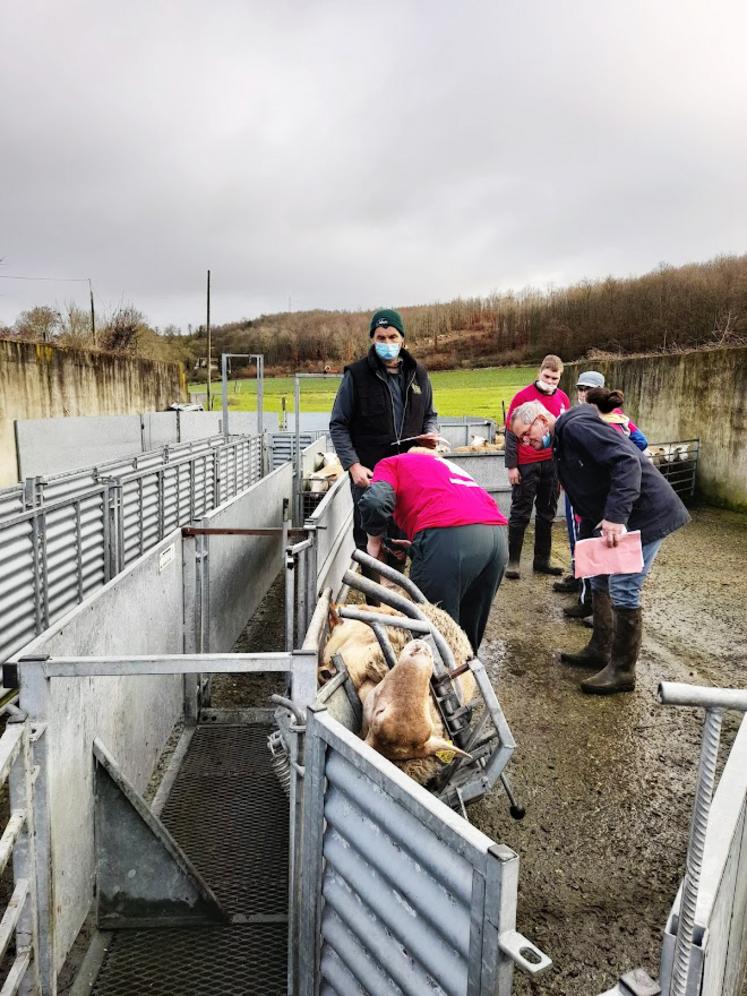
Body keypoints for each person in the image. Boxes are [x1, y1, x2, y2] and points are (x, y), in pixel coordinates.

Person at [510, 399, 689, 695]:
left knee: (624, 586)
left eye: (526, 434)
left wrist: (616, 517)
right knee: (599, 576)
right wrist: (587, 539)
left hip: (646, 513)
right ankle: (600, 648)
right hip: (621, 514)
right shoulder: (562, 442)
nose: (527, 442)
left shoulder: (576, 427)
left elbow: (626, 461)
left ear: (542, 419)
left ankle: (622, 671)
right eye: (521, 440)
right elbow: (588, 489)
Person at [358, 448, 508, 654]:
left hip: (449, 536)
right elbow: (451, 505)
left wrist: (373, 541)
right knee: (465, 636)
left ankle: (433, 682)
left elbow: (375, 502)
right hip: (496, 539)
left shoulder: (392, 463)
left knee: (430, 635)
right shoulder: (447, 468)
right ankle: (466, 679)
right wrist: (419, 547)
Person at [329, 308, 440, 561]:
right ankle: (373, 597)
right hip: (370, 474)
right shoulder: (356, 376)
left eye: (392, 337)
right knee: (369, 543)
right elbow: (338, 424)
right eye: (381, 338)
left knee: (401, 540)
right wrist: (353, 465)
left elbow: (430, 415)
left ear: (403, 339)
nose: (387, 343)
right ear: (372, 339)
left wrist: (431, 433)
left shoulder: (419, 374)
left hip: (409, 472)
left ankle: (395, 593)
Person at [504, 355, 570, 579]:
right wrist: (511, 466)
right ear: (539, 373)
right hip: (526, 463)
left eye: (555, 378)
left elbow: (563, 435)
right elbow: (511, 434)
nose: (550, 382)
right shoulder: (523, 397)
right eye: (547, 377)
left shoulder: (563, 399)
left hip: (551, 463)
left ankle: (542, 560)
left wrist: (563, 471)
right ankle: (512, 561)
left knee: (547, 513)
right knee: (520, 512)